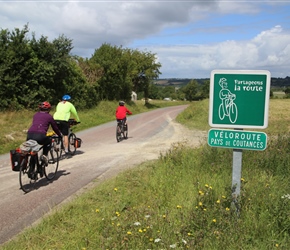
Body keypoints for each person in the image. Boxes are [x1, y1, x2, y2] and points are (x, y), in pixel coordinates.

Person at [27, 101, 62, 168]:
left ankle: (31, 168)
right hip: (40, 135)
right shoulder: (49, 116)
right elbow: (55, 128)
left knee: (33, 149)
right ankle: (44, 155)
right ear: (48, 109)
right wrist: (59, 135)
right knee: (48, 141)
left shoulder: (36, 115)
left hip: (30, 134)